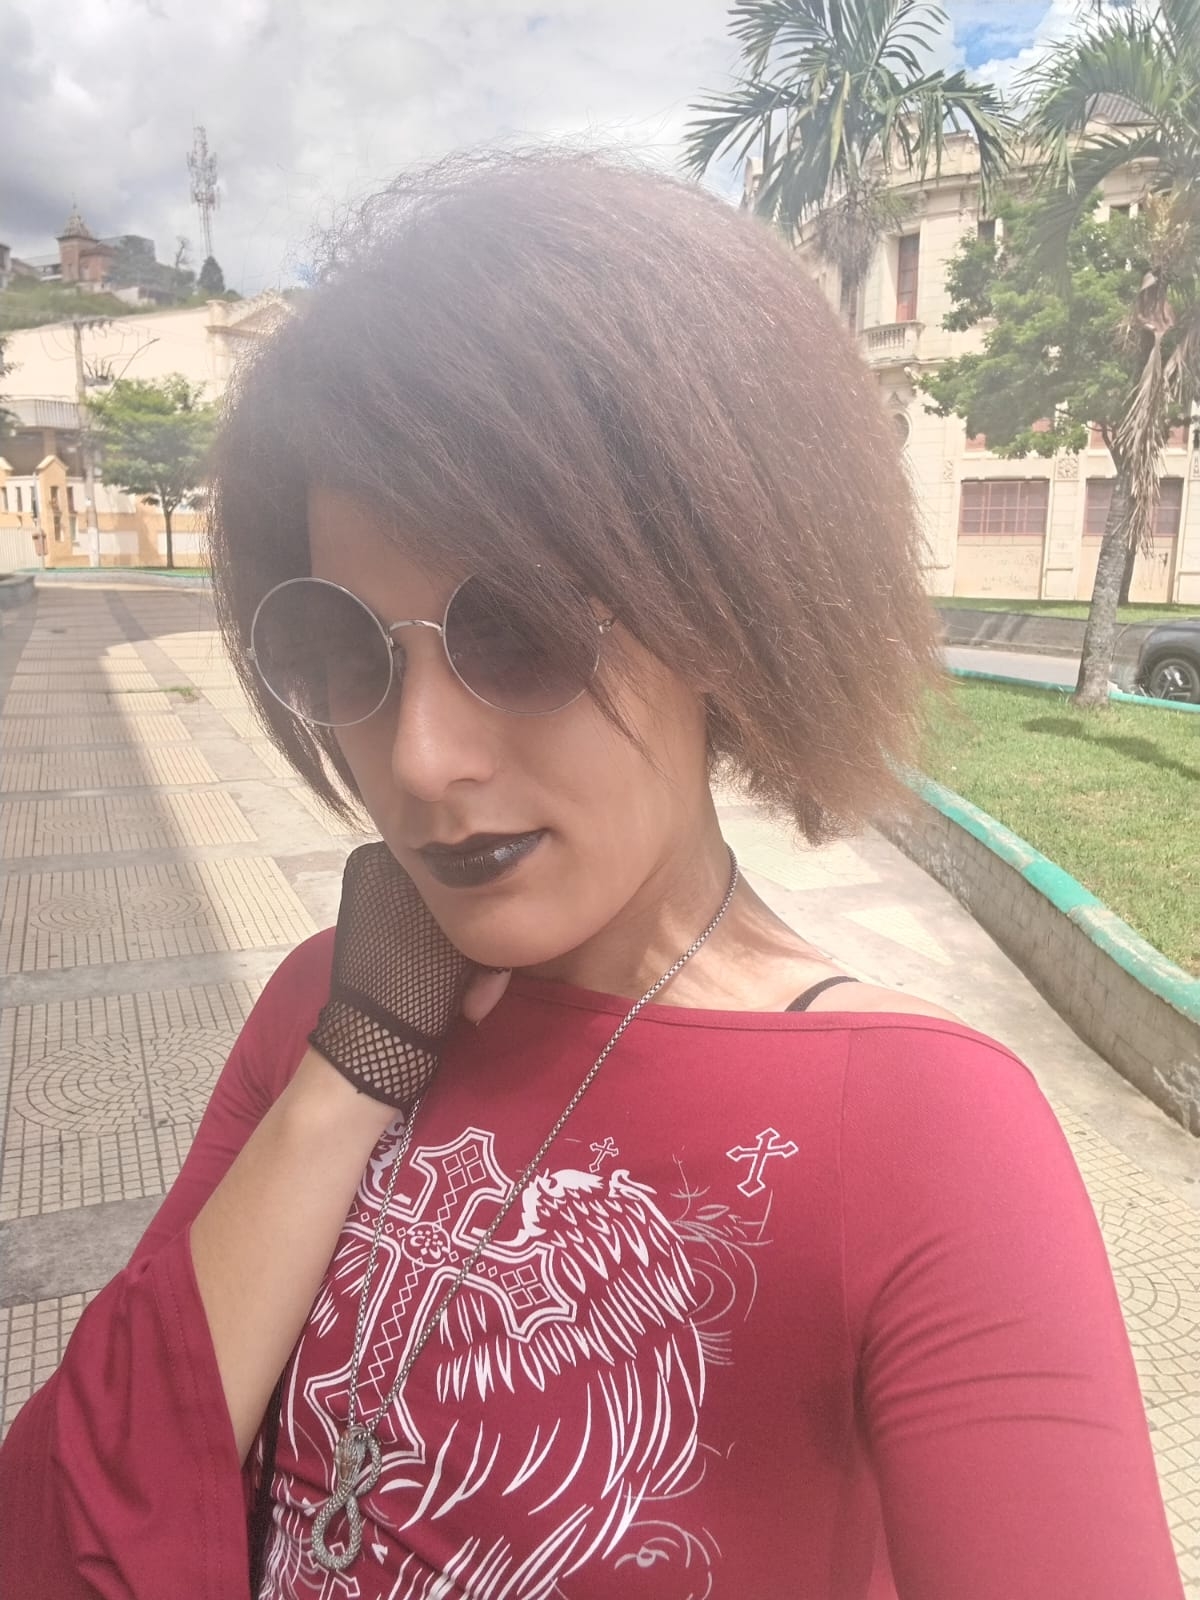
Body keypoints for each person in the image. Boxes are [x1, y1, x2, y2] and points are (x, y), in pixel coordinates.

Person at [0, 151, 1184, 1600]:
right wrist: (346, 1075)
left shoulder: (923, 1132)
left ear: (722, 612)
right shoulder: (333, 1006)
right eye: (344, 652)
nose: (423, 758)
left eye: (520, 634)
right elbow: (65, 1515)